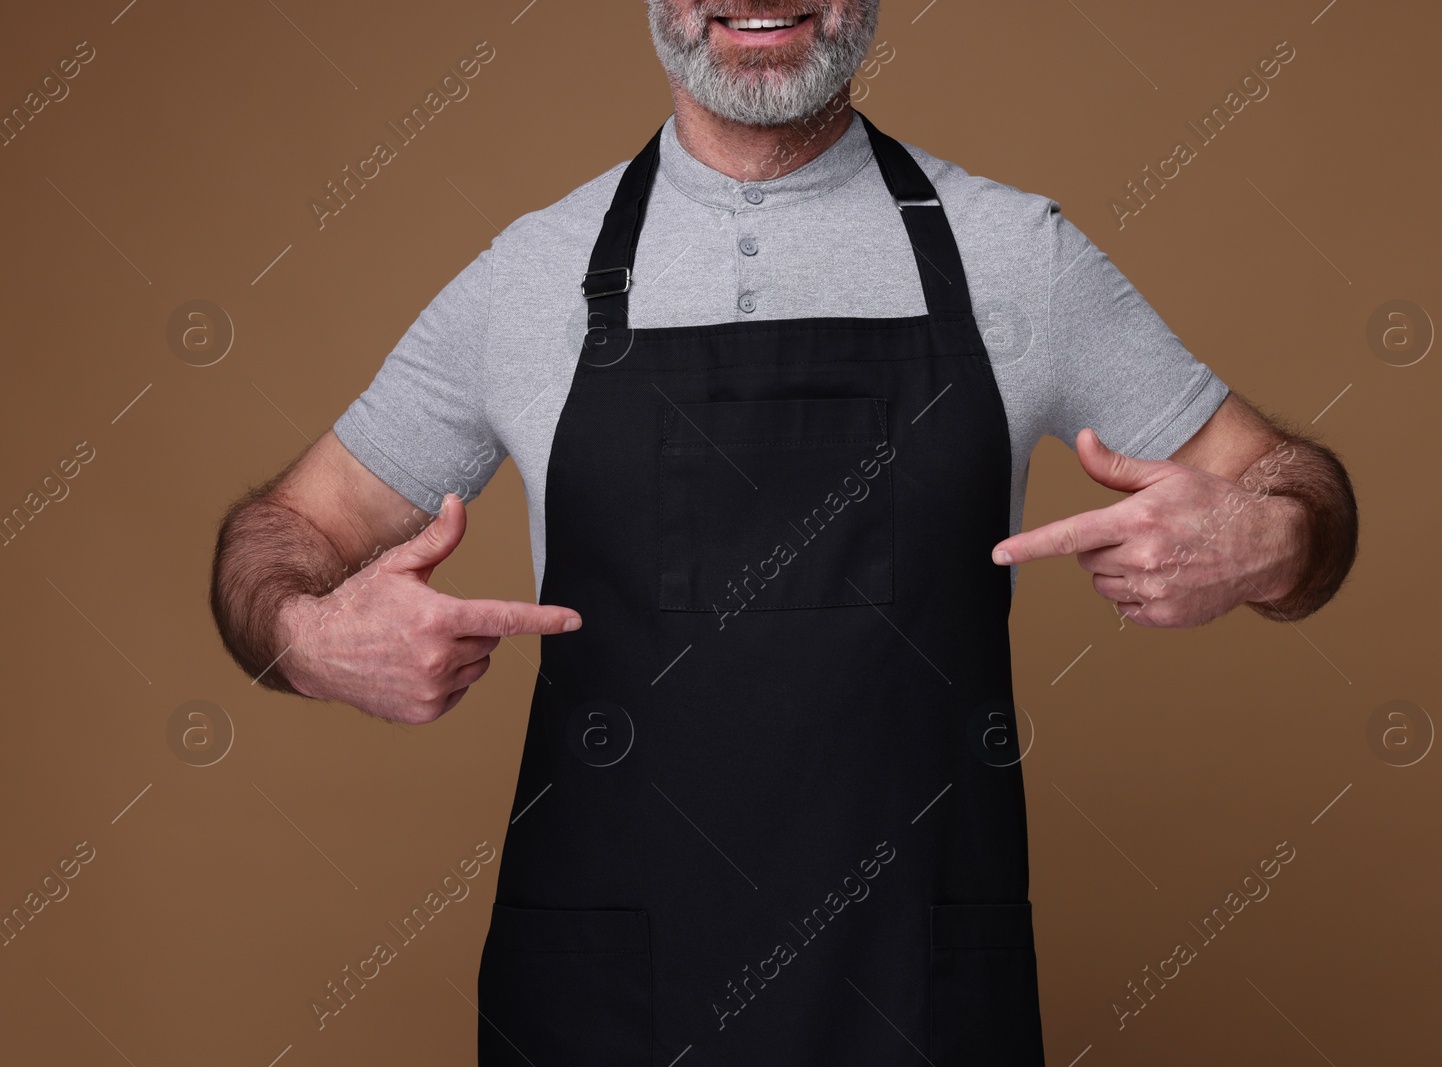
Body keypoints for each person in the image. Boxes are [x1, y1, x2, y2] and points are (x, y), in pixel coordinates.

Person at [210, 2, 1357, 1063]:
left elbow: (1296, 494)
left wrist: (1271, 541)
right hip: (609, 1003)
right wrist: (308, 635)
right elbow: (281, 533)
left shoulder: (1018, 257)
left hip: (914, 997)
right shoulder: (534, 275)